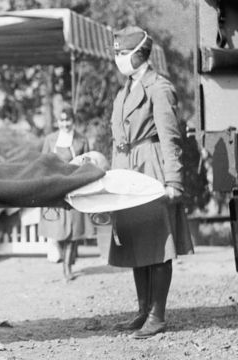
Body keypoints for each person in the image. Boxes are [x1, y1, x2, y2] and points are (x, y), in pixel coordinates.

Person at [108, 26, 193, 339]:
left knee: (157, 244)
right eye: (116, 52)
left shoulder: (159, 87)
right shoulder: (125, 90)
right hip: (127, 170)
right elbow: (118, 139)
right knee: (135, 242)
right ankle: (143, 310)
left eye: (121, 53)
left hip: (151, 168)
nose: (117, 58)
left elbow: (170, 136)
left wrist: (174, 180)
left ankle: (157, 316)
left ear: (138, 54)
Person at [39, 106, 92, 281]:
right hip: (55, 188)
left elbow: (88, 163)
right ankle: (64, 257)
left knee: (74, 230)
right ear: (57, 122)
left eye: (68, 120)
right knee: (58, 229)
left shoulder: (81, 140)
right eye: (61, 120)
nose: (65, 124)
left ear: (73, 121)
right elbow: (42, 163)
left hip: (75, 187)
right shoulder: (50, 139)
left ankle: (67, 267)